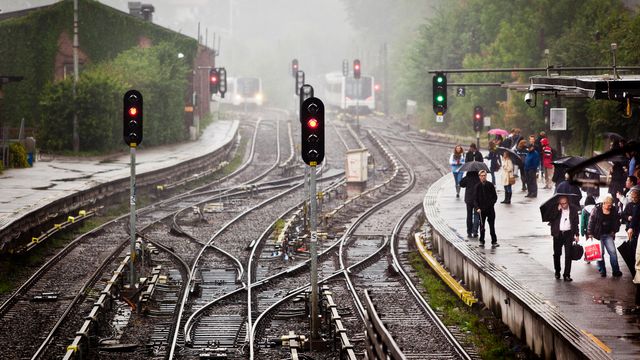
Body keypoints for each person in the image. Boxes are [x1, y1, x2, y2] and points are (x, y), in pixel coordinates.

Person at [546, 195, 580, 281]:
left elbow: (575, 222)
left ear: (568, 202)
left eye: (564, 203)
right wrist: (557, 210)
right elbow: (550, 218)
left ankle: (567, 274)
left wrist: (577, 234)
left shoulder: (573, 209)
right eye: (561, 203)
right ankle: (557, 271)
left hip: (568, 234)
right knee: (557, 254)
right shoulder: (556, 208)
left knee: (568, 255)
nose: (563, 205)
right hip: (558, 234)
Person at [587, 194, 622, 277]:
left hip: (608, 234)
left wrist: (614, 230)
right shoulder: (596, 210)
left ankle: (616, 271)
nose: (610, 207)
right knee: (600, 253)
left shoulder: (613, 210)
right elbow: (591, 222)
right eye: (608, 205)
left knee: (613, 252)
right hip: (598, 235)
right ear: (604, 203)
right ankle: (602, 270)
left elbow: (617, 222)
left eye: (611, 205)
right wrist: (590, 233)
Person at [474, 170, 498, 247]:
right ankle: (482, 240)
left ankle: (494, 241)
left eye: (484, 175)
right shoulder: (477, 186)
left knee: (492, 226)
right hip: (481, 210)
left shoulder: (490, 185)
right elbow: (475, 199)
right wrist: (477, 208)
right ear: (479, 177)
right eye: (481, 176)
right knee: (482, 226)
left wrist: (491, 204)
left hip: (490, 209)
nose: (483, 177)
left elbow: (495, 197)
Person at [460, 171, 481, 238]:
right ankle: (475, 231)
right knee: (476, 215)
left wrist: (466, 177)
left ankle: (469, 231)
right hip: (477, 199)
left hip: (468, 199)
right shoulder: (479, 177)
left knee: (469, 215)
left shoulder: (468, 177)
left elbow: (461, 184)